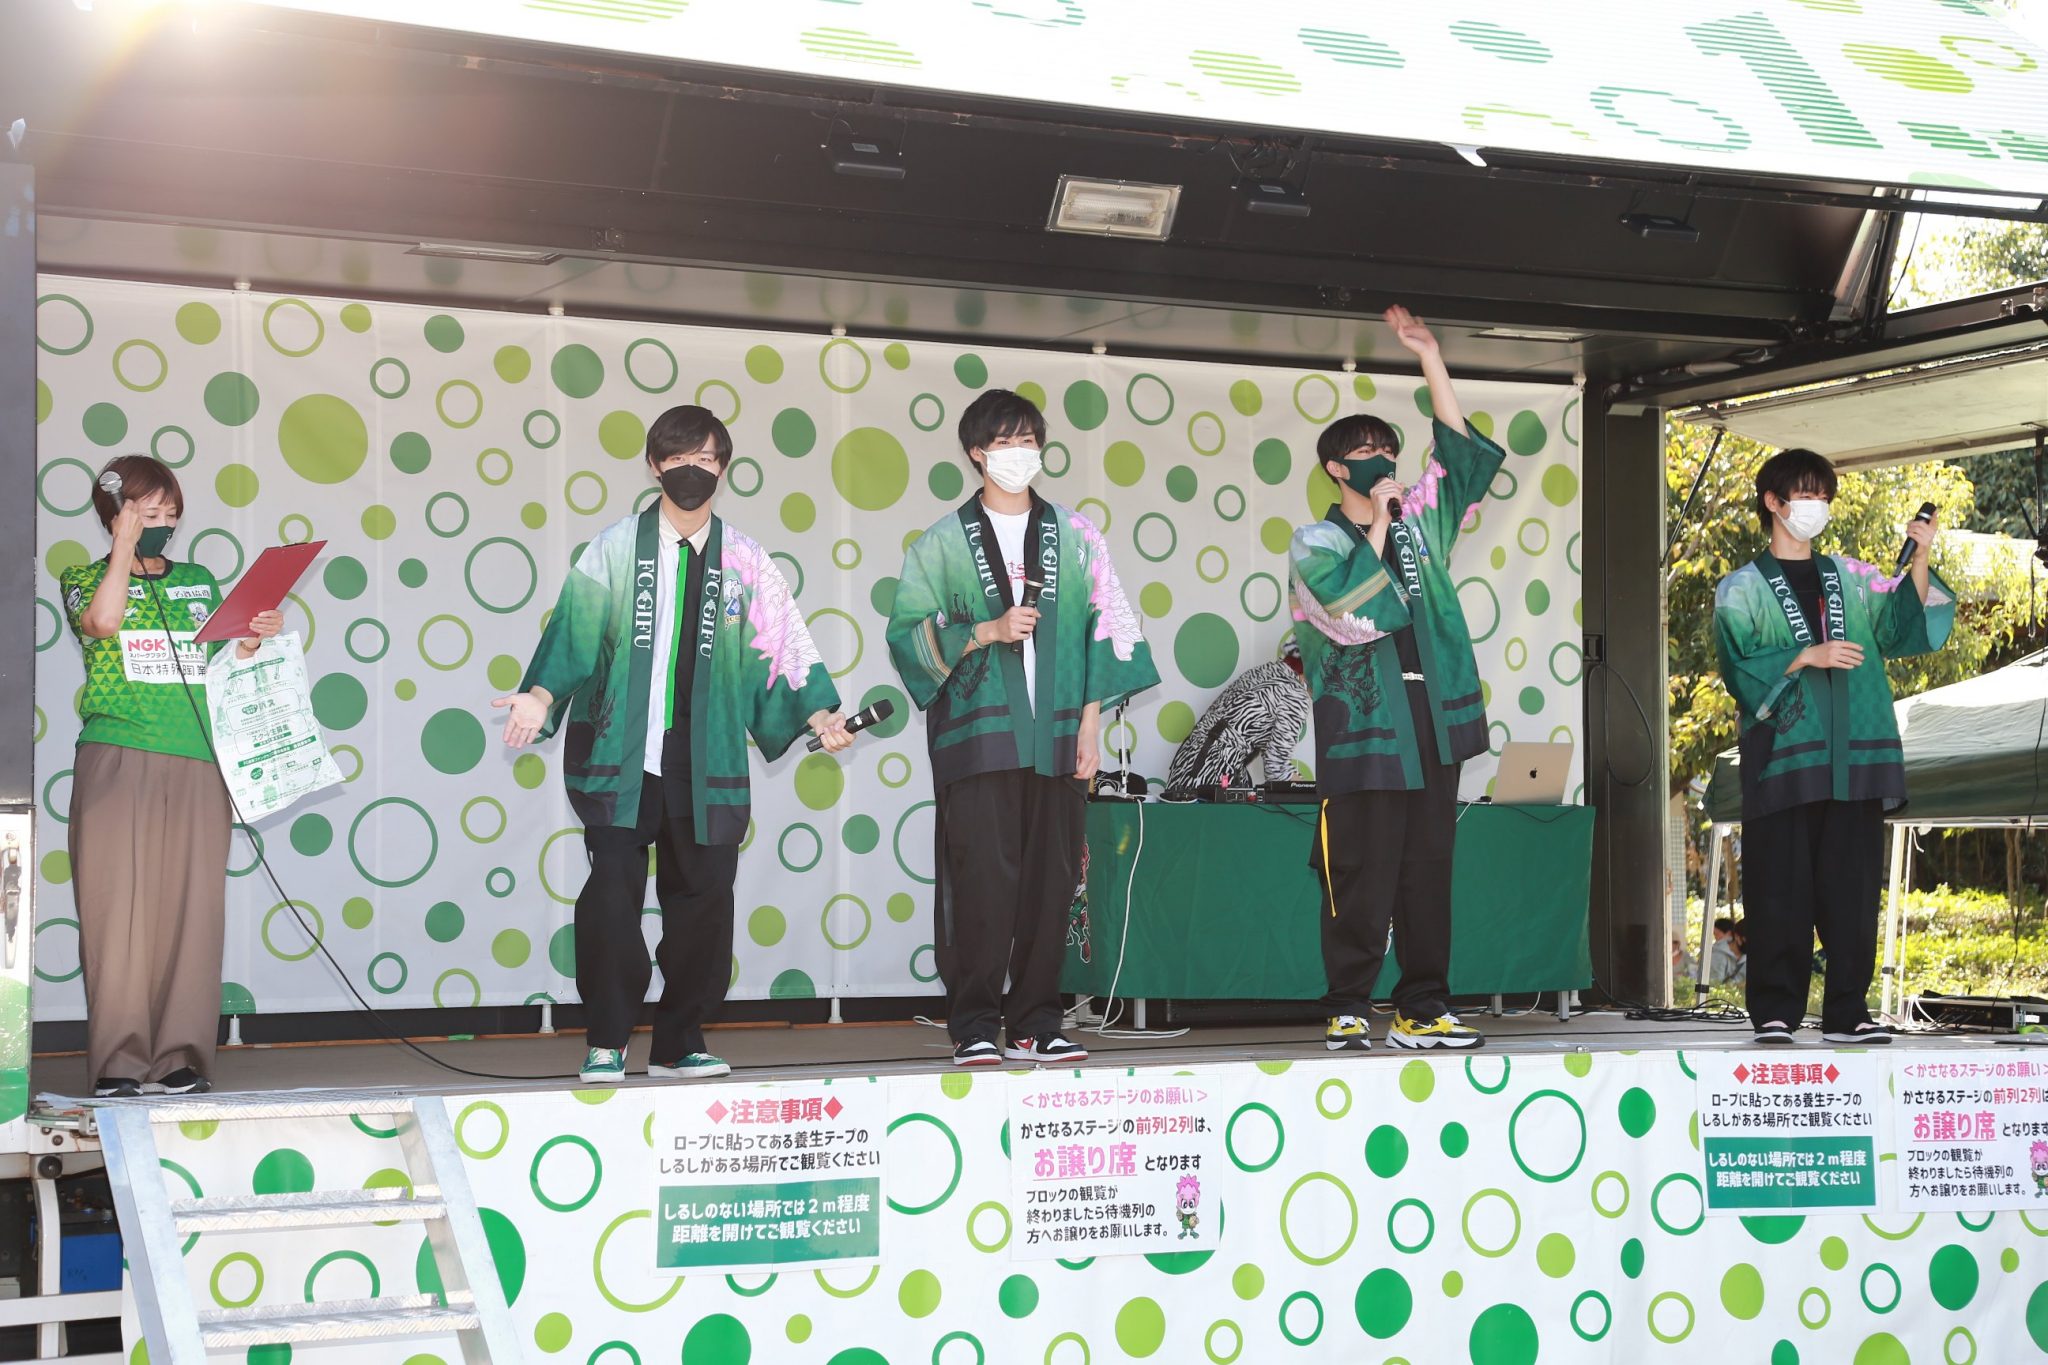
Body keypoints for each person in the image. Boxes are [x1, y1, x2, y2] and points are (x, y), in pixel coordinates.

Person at [497, 406, 849, 1084]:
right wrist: (538, 696)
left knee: (705, 903)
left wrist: (821, 714)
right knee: (611, 897)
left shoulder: (746, 560)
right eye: (679, 458)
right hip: (622, 754)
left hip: (705, 758)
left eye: (706, 458)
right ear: (655, 466)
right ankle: (606, 1039)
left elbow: (782, 646)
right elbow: (572, 633)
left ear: (724, 467)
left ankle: (678, 1041)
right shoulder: (612, 549)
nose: (693, 470)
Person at [887, 389, 1159, 1066]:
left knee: (1051, 884)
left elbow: (1107, 628)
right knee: (981, 882)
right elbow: (907, 636)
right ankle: (975, 1024)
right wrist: (985, 630)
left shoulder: (1077, 535)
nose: (1018, 453)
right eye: (1004, 442)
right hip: (980, 737)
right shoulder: (940, 543)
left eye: (1028, 440)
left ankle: (1038, 1020)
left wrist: (1091, 727)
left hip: (1060, 735)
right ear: (976, 452)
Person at [1288, 306, 1502, 1053]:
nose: (1381, 459)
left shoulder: (1423, 525)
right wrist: (1379, 524)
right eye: (1364, 452)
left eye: (1387, 448)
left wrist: (1431, 356)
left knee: (1426, 871)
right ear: (1335, 469)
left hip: (1431, 720)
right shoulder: (1316, 540)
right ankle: (1349, 1003)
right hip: (1366, 730)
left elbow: (1461, 454)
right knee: (1360, 869)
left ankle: (1423, 1005)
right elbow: (1352, 613)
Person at [1712, 447, 1953, 1045]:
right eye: (1805, 495)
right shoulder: (1740, 588)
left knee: (1852, 890)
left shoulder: (1852, 576)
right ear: (1773, 502)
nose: (1816, 506)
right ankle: (1776, 1010)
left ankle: (1849, 1011)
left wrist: (1922, 557)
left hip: (1856, 756)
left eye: (1823, 496)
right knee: (1779, 886)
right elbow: (1737, 666)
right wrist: (1806, 654)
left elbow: (1900, 623)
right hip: (1785, 760)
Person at [61, 455, 282, 1097]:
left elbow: (223, 660)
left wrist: (252, 638)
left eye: (172, 513)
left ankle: (179, 1057)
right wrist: (122, 550)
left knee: (193, 908)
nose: (164, 523)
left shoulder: (198, 580)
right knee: (117, 910)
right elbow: (102, 623)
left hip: (198, 758)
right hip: (118, 752)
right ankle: (119, 1063)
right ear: (116, 513)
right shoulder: (84, 577)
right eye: (150, 512)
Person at [1165, 642, 1310, 793]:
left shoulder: (1266, 671)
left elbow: (1271, 753)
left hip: (1190, 759)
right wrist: (1314, 793)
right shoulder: (1295, 695)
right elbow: (1277, 769)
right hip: (1213, 769)